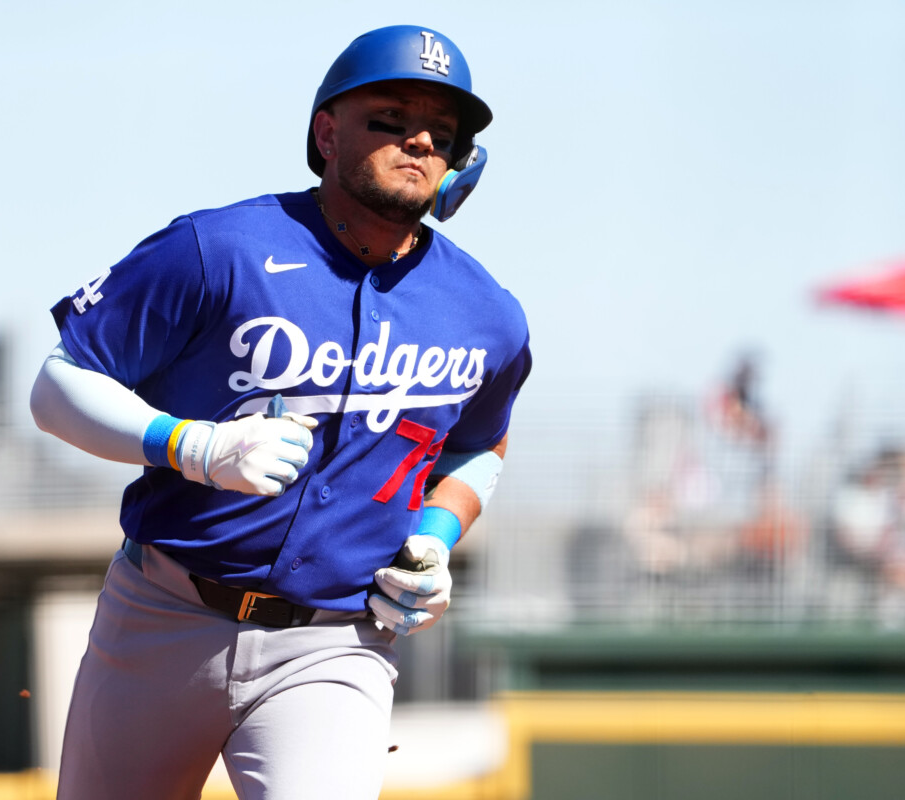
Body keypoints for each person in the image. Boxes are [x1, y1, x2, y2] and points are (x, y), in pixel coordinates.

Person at [30, 24, 531, 800]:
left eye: (441, 132)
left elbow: (478, 447)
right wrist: (192, 445)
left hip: (334, 645)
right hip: (164, 612)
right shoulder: (217, 247)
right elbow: (58, 386)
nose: (418, 141)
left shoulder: (486, 313)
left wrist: (434, 539)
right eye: (390, 120)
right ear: (327, 133)